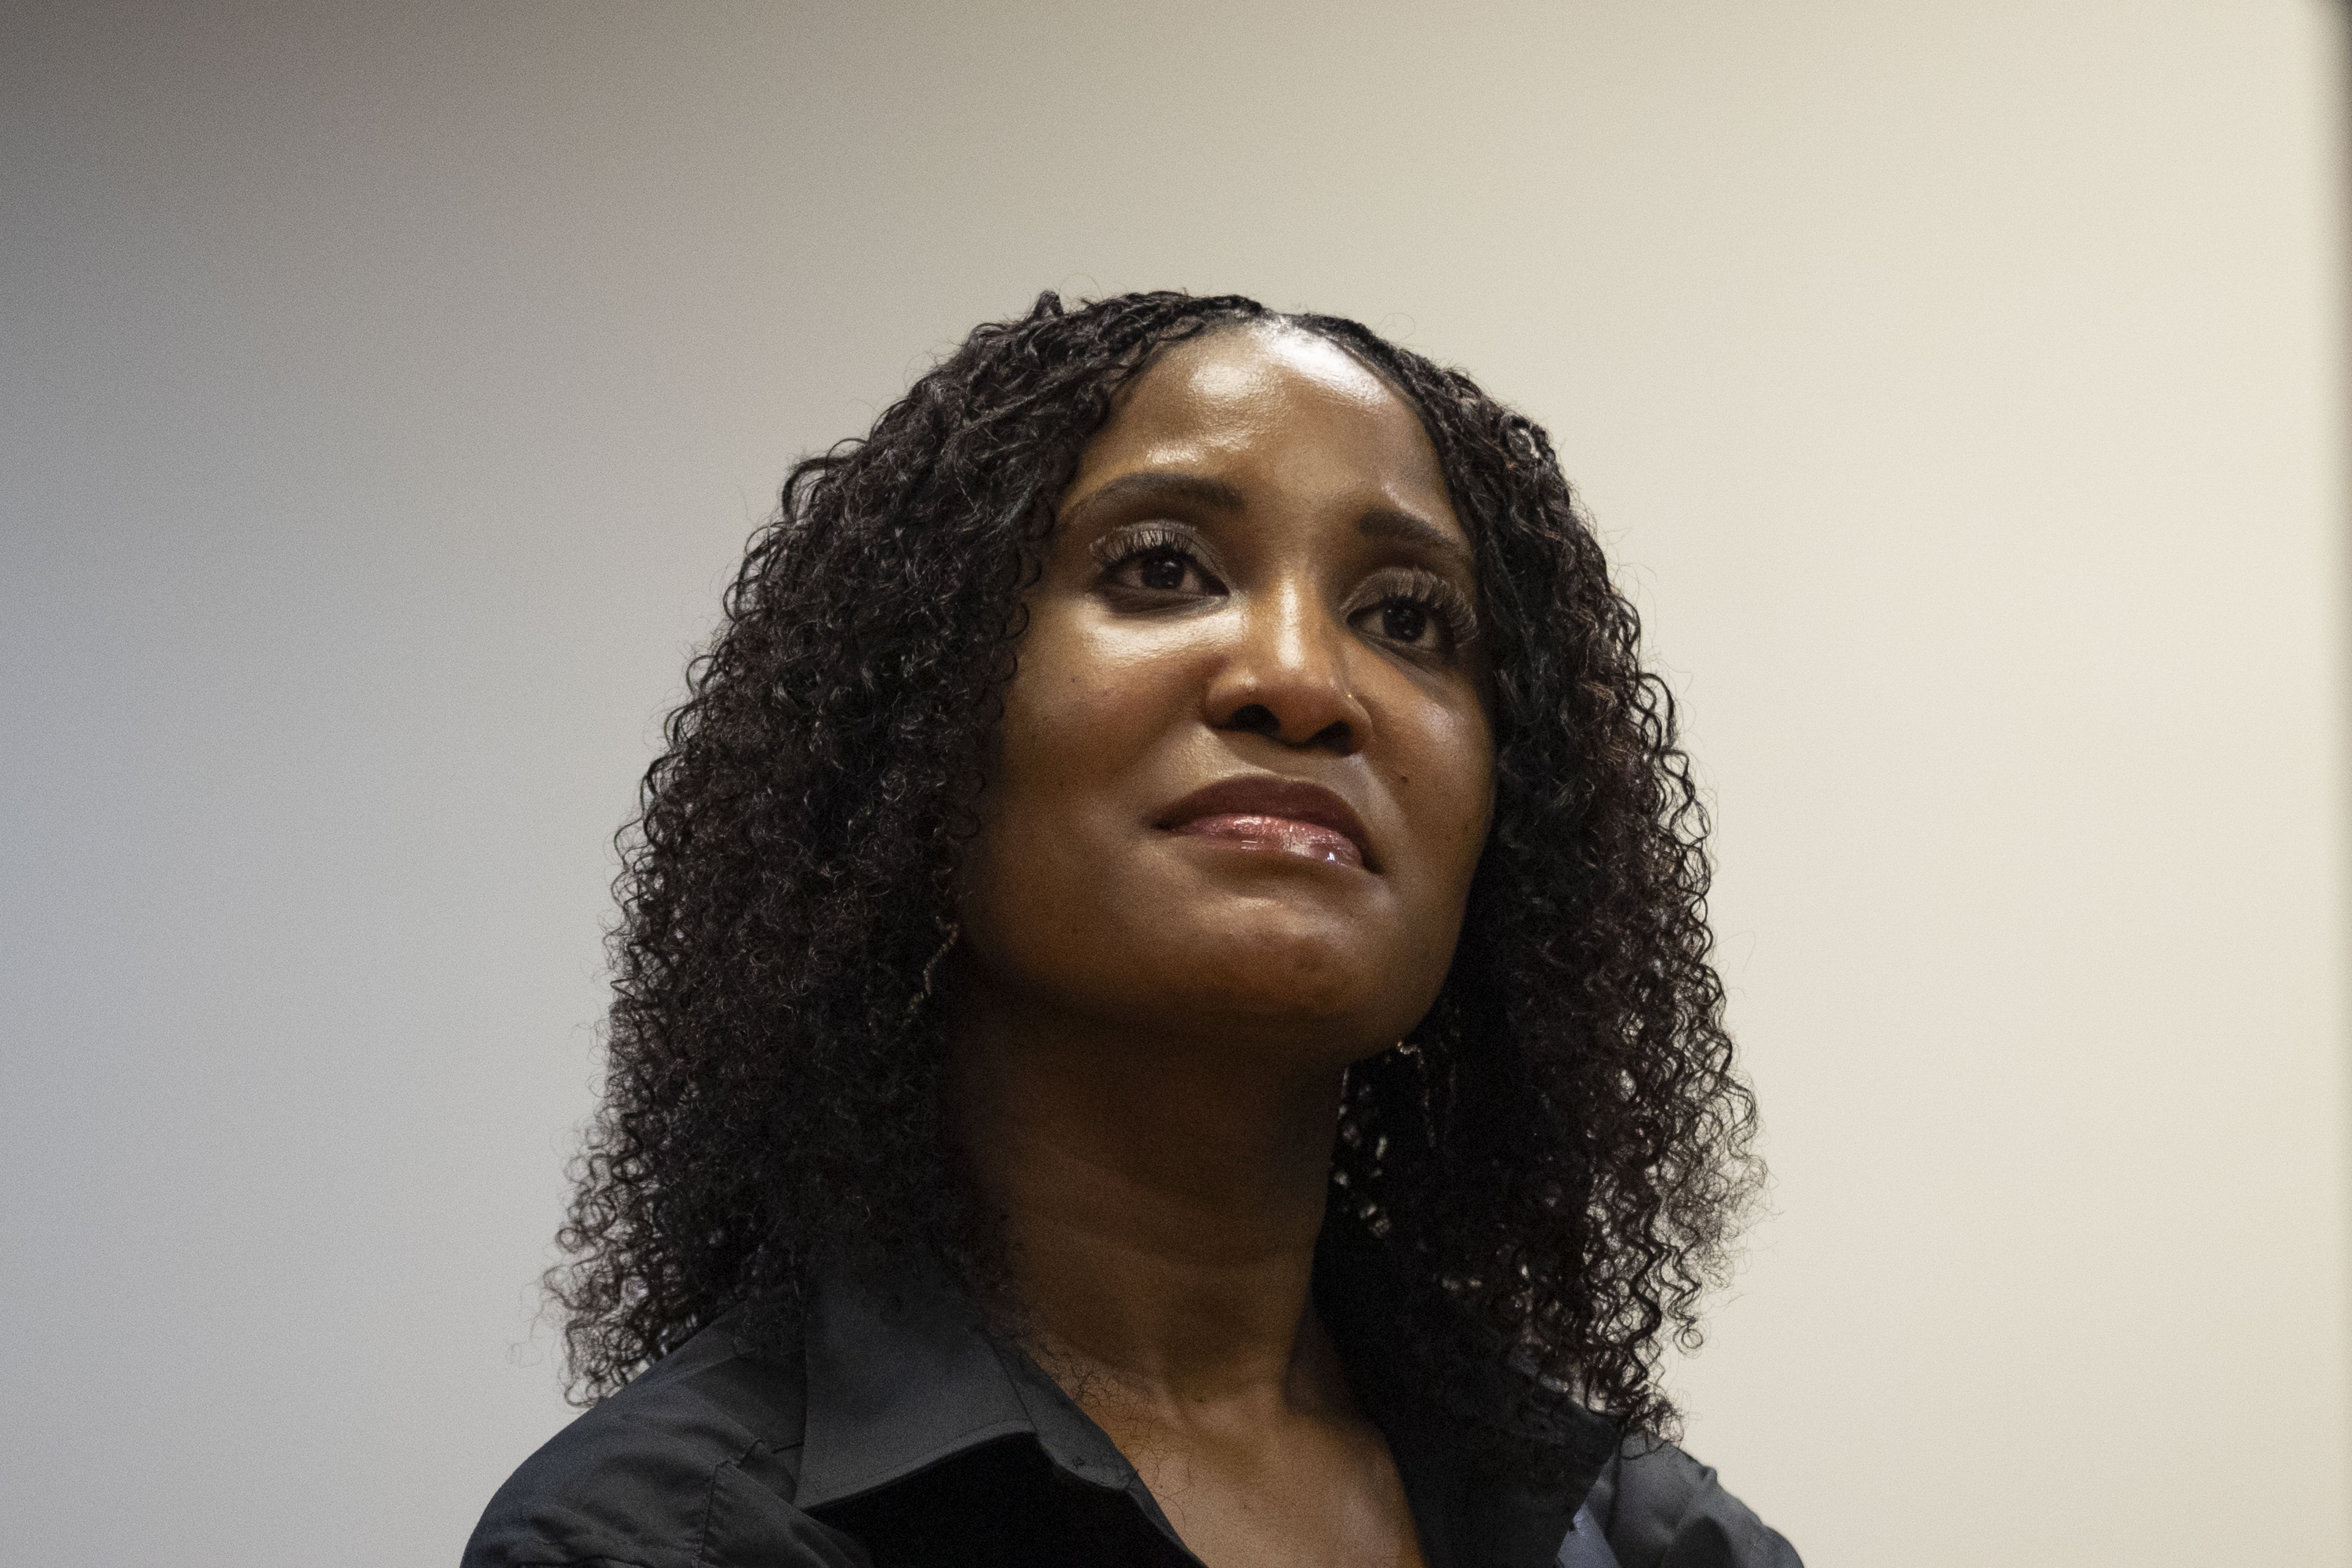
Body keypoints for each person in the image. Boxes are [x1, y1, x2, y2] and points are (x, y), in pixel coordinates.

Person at [463, 291, 1799, 1568]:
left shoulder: (1653, 1541)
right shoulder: (665, 1538)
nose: (1303, 679)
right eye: (1163, 570)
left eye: (1407, 617)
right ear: (911, 728)